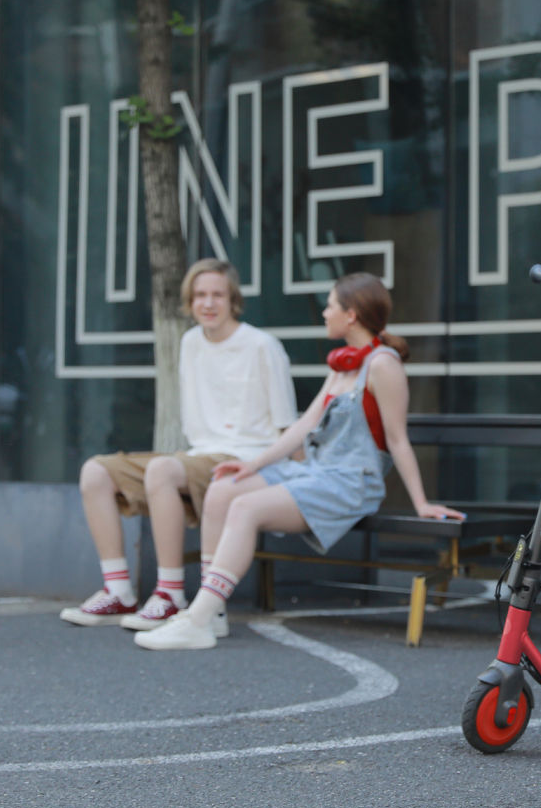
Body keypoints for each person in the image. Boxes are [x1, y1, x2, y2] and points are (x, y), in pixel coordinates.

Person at [136, 271, 464, 650]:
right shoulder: (343, 364)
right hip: (314, 471)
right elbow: (304, 425)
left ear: (351, 315)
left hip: (350, 481)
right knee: (226, 487)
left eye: (330, 306)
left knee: (245, 507)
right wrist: (253, 465)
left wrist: (421, 503)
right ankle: (215, 614)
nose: (325, 313)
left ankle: (197, 619)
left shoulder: (382, 365)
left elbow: (397, 440)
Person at [61, 259, 298, 630]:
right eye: (200, 295)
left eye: (217, 295)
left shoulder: (262, 346)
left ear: (233, 299)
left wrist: (296, 482)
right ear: (189, 301)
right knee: (95, 472)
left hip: (246, 458)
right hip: (198, 456)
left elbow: (288, 425)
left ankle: (171, 595)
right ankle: (118, 590)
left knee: (163, 469)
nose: (208, 303)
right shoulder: (190, 343)